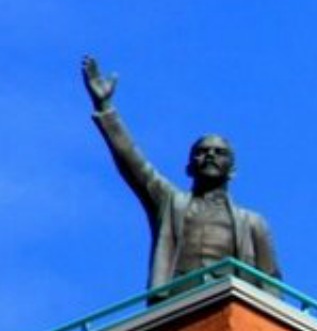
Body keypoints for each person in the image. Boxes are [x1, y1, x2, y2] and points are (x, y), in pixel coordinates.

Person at [81, 55, 281, 290]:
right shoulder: (171, 203)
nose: (210, 155)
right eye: (202, 151)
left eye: (220, 152)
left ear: (233, 170)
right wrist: (105, 109)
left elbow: (270, 283)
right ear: (189, 167)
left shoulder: (253, 223)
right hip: (179, 300)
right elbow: (133, 162)